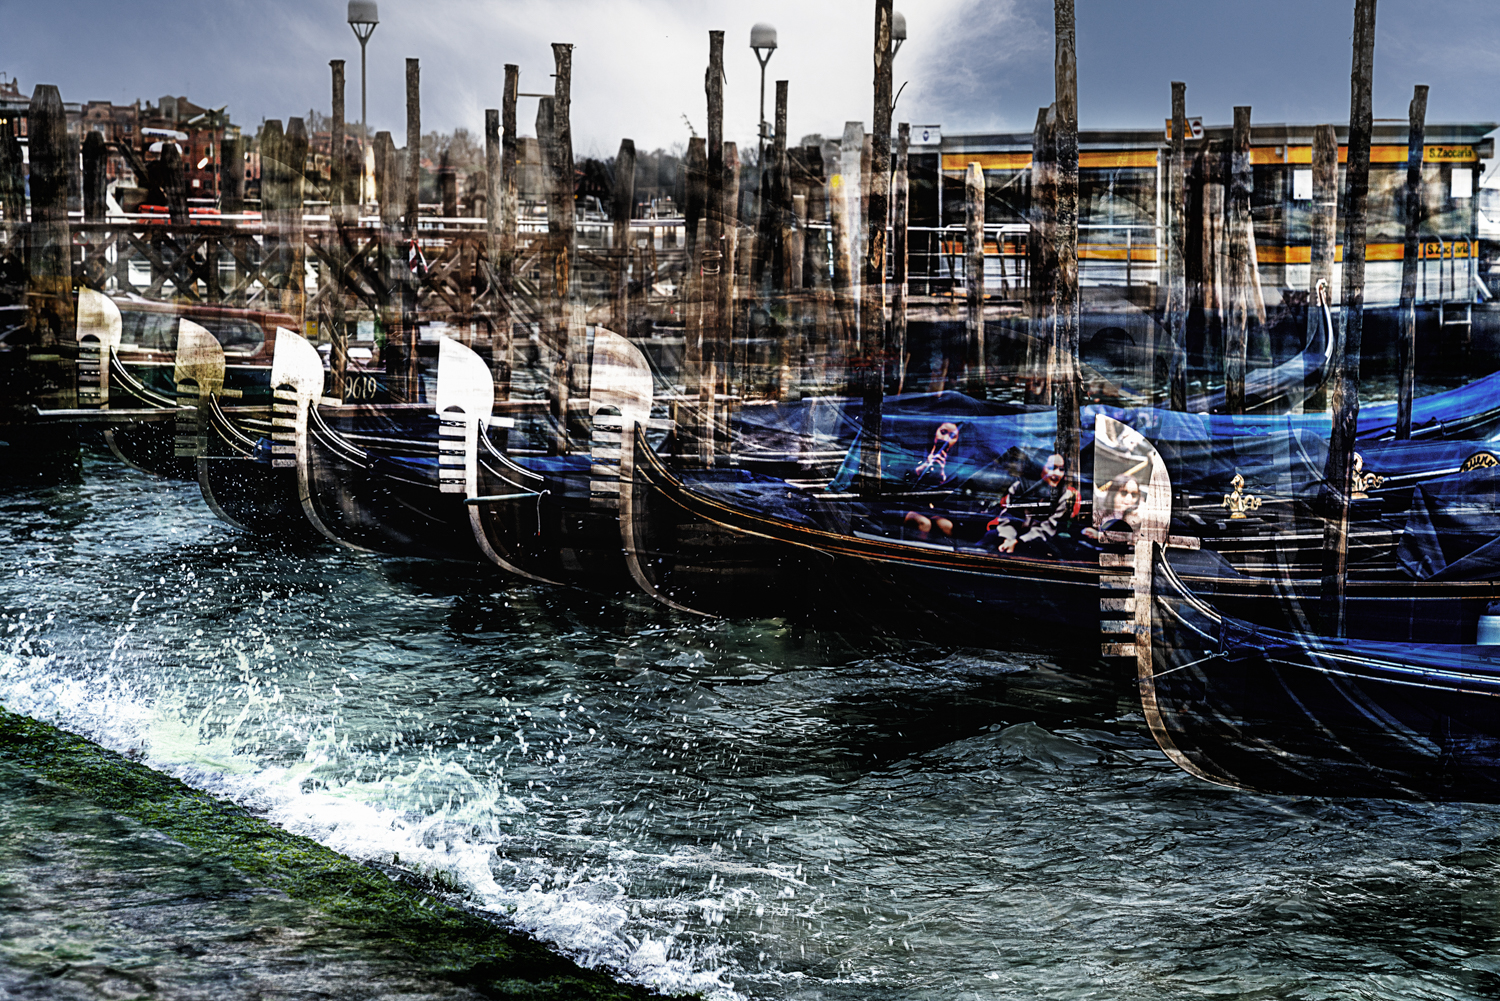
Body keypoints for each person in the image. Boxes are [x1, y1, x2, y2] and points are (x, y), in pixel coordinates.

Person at [981, 452, 1080, 557]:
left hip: (1040, 541)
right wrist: (1008, 538)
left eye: (1061, 469)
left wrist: (1019, 542)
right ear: (1039, 468)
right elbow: (1009, 516)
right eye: (1052, 468)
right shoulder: (1019, 487)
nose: (1057, 473)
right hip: (1009, 535)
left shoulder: (1065, 496)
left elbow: (1048, 528)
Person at [903, 422, 962, 541]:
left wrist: (942, 478)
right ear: (934, 431)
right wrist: (920, 470)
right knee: (923, 523)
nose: (945, 439)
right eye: (943, 432)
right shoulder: (916, 451)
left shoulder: (956, 464)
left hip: (933, 509)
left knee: (946, 525)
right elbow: (901, 480)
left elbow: (953, 498)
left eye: (952, 436)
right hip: (907, 506)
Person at [1082, 473, 1142, 542]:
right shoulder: (1101, 510)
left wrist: (1099, 536)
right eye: (1124, 493)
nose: (1129, 498)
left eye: (1134, 494)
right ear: (1114, 493)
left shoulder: (1135, 519)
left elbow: (1127, 540)